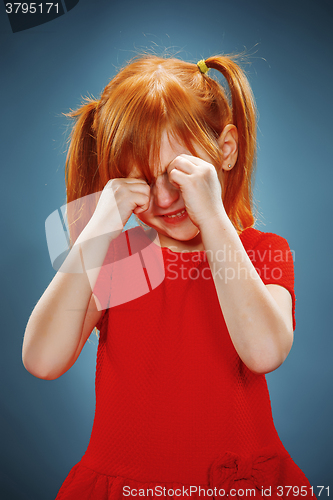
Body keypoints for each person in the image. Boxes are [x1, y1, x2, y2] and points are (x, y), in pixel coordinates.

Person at [22, 54, 315, 499]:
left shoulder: (260, 253)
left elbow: (265, 352)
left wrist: (214, 216)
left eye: (179, 175)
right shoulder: (125, 259)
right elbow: (42, 360)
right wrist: (97, 229)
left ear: (226, 149)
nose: (162, 200)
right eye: (139, 183)